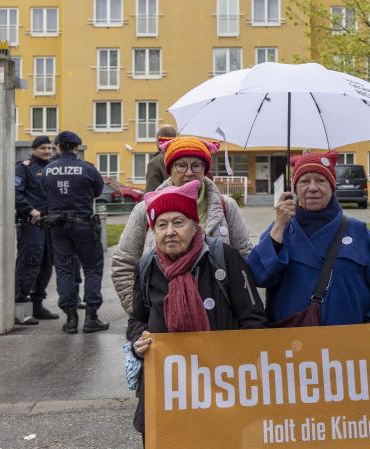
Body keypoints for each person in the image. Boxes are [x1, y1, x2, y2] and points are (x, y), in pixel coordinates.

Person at [128, 179, 266, 449]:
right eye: (162, 224)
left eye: (179, 223)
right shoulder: (147, 267)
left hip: (216, 402)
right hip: (164, 404)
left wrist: (227, 357)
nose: (170, 231)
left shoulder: (224, 261)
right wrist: (139, 339)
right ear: (153, 230)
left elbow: (253, 322)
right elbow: (136, 318)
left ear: (195, 225)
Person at [248, 151, 370, 449]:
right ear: (294, 187)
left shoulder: (358, 232)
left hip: (348, 364)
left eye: (320, 182)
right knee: (299, 442)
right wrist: (276, 227)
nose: (312, 188)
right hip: (295, 365)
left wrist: (368, 330)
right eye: (305, 181)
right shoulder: (281, 232)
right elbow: (257, 276)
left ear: (332, 188)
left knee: (347, 442)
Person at [112, 136, 253, 315]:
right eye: (181, 165)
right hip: (163, 316)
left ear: (205, 170)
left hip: (218, 317)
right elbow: (123, 263)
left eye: (196, 165)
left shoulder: (226, 207)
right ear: (170, 169)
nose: (189, 172)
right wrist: (142, 312)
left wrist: (235, 310)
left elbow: (244, 258)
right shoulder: (146, 209)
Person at [42, 130, 109, 334]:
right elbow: (98, 191)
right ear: (76, 148)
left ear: (58, 147)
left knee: (64, 269)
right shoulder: (87, 169)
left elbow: (44, 191)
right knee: (92, 268)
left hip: (57, 226)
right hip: (84, 224)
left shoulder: (48, 170)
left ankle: (70, 319)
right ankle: (91, 317)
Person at [14, 135, 60, 324]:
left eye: (49, 148)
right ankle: (18, 306)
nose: (47, 151)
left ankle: (37, 304)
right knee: (29, 264)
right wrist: (30, 210)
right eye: (43, 148)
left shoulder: (52, 168)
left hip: (49, 224)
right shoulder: (24, 167)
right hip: (31, 224)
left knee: (46, 266)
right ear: (34, 149)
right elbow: (15, 192)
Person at [145, 124, 178, 192]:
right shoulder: (182, 157)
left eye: (156, 138)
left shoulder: (155, 163)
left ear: (159, 139)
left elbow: (151, 192)